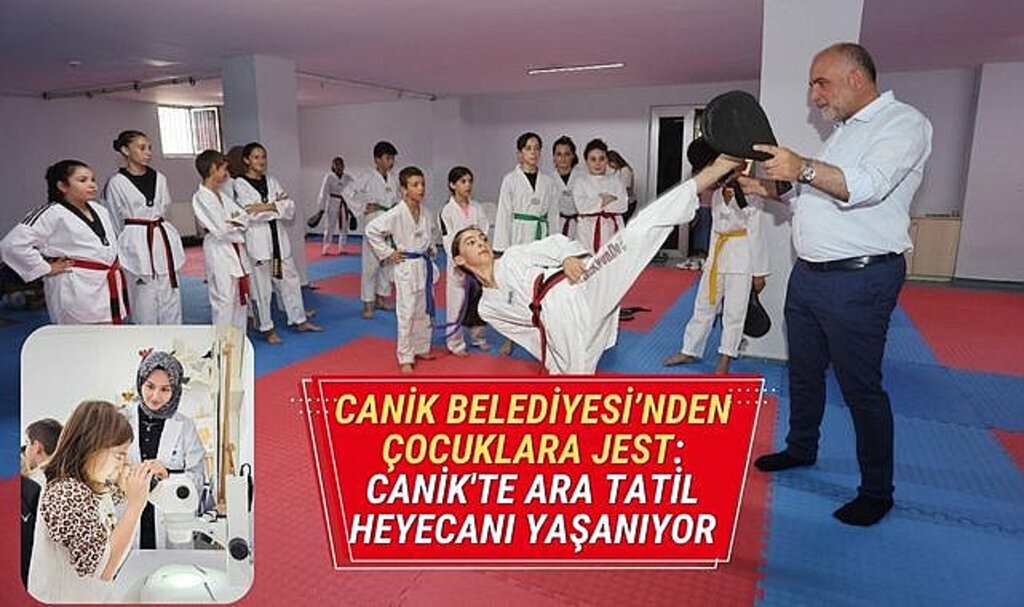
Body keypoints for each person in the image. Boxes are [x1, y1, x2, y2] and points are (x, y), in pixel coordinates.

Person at [741, 43, 933, 526]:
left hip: (861, 280)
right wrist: (767, 190)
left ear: (855, 78)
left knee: (860, 386)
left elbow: (866, 186)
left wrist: (802, 166)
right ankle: (801, 447)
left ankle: (877, 491)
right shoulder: (842, 133)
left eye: (820, 83)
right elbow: (813, 198)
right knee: (803, 371)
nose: (814, 96)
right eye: (812, 85)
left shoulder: (903, 124)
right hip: (809, 276)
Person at [451, 153, 744, 374]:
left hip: (580, 284)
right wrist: (553, 358)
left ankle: (710, 174)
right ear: (460, 260)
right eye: (471, 242)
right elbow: (526, 332)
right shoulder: (487, 307)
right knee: (575, 383)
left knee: (636, 231)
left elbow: (553, 243)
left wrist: (568, 257)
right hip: (556, 324)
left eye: (481, 237)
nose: (481, 242)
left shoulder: (513, 256)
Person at [28, 400, 152, 603]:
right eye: (119, 455)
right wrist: (136, 506)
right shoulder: (66, 493)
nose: (124, 463)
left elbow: (112, 500)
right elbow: (102, 569)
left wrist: (137, 483)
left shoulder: (92, 484)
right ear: (92, 447)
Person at [1, 160, 129, 324]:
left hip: (104, 283)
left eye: (92, 179)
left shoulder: (100, 210)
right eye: (82, 180)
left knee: (108, 333)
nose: (92, 185)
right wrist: (45, 268)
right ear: (62, 186)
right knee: (76, 335)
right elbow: (12, 245)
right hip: (74, 285)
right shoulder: (51, 212)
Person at [664, 180, 769, 374]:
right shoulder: (716, 195)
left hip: (742, 257)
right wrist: (709, 260)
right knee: (704, 304)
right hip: (717, 256)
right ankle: (689, 350)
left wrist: (759, 272)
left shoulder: (752, 196)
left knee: (734, 311)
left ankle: (726, 356)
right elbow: (715, 230)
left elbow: (757, 234)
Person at [234, 142, 322, 344]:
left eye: (263, 156)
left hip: (278, 242)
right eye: (256, 157)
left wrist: (265, 207)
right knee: (262, 288)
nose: (261, 161)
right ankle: (266, 327)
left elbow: (289, 207)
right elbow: (248, 213)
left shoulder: (271, 180)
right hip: (258, 244)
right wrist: (275, 206)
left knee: (290, 280)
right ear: (247, 160)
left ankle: (299, 319)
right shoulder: (239, 184)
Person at [102, 130, 185, 324]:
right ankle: (146, 339)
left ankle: (173, 337)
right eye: (141, 148)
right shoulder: (116, 183)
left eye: (149, 148)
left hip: (161, 237)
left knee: (170, 294)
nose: (148, 152)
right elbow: (112, 218)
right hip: (135, 241)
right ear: (125, 150)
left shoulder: (160, 178)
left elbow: (164, 206)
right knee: (143, 299)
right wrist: (121, 246)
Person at [126, 350, 207, 549]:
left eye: (165, 389)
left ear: (175, 390)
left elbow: (198, 478)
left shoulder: (185, 426)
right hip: (129, 517)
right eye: (150, 386)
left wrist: (168, 475)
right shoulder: (121, 420)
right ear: (140, 383)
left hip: (171, 521)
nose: (155, 396)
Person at [365, 166, 438, 373]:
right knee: (406, 312)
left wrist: (430, 248)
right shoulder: (397, 212)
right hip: (406, 265)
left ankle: (421, 347)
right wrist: (388, 253)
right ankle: (405, 356)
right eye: (415, 185)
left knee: (423, 309)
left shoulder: (426, 212)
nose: (421, 188)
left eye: (422, 184)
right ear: (404, 189)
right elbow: (371, 230)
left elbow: (430, 235)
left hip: (422, 265)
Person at [493, 132, 559, 356]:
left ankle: (542, 334)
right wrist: (502, 249)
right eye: (528, 148)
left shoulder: (548, 182)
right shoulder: (510, 180)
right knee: (514, 289)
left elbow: (553, 215)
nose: (533, 152)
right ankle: (510, 337)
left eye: (537, 148)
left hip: (541, 237)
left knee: (541, 287)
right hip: (518, 237)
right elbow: (504, 214)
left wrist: (555, 245)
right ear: (520, 153)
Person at [192, 150, 252, 332]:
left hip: (234, 250)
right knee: (223, 300)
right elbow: (220, 230)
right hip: (218, 250)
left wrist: (233, 222)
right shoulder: (201, 197)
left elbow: (244, 217)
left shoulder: (220, 194)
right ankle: (223, 343)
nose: (226, 173)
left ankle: (239, 338)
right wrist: (234, 223)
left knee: (239, 298)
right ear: (212, 169)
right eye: (223, 169)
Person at [438, 166, 492, 355]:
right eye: (463, 181)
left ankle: (478, 337)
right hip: (459, 264)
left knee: (479, 301)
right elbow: (448, 240)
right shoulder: (447, 211)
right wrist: (460, 260)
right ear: (452, 185)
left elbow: (484, 232)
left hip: (477, 263)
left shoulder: (477, 207)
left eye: (470, 181)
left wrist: (482, 256)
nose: (468, 185)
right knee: (457, 304)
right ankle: (455, 343)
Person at [350, 141, 401, 319]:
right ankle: (368, 303)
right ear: (377, 159)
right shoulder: (367, 177)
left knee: (387, 264)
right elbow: (347, 192)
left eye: (392, 158)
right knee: (370, 266)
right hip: (373, 224)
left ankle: (382, 298)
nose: (391, 162)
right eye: (387, 158)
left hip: (389, 224)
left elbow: (398, 199)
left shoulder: (394, 178)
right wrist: (363, 207)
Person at [21, 418, 63, 587]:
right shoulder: (64, 481)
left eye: (27, 444)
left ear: (37, 447)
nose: (24, 450)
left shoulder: (32, 486)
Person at [573, 138, 629, 254]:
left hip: (612, 229)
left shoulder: (616, 181)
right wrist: (604, 200)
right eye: (593, 159)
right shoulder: (580, 182)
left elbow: (623, 205)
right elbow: (581, 207)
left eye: (601, 159)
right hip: (587, 230)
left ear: (607, 160)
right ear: (586, 161)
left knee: (612, 261)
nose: (597, 163)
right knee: (587, 261)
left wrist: (594, 205)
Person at [317, 156, 355, 255]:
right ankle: (326, 248)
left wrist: (354, 207)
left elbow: (355, 189)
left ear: (344, 166)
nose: (339, 167)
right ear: (333, 166)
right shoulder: (329, 177)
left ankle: (342, 247)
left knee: (344, 226)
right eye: (336, 165)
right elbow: (323, 192)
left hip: (344, 203)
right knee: (329, 226)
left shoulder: (348, 178)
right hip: (332, 202)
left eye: (340, 164)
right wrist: (321, 207)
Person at [551, 136, 580, 237]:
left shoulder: (582, 178)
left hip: (580, 225)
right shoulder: (548, 180)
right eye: (559, 154)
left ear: (573, 156)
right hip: (557, 225)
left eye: (567, 154)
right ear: (554, 157)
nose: (563, 158)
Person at [606, 150, 637, 223]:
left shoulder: (625, 171)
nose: (610, 165)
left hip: (628, 203)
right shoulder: (618, 171)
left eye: (610, 162)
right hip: (623, 203)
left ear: (615, 161)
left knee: (621, 223)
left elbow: (625, 189)